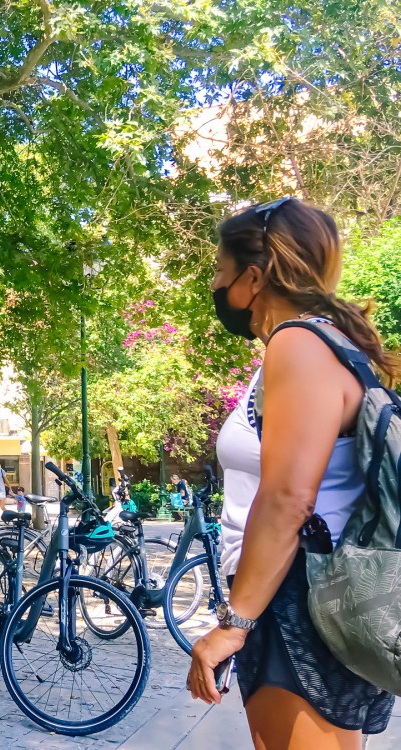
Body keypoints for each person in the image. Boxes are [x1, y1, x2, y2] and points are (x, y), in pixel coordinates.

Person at [186, 198, 397, 747]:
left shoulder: (298, 344)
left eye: (219, 271)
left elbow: (287, 498)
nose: (214, 284)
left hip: (299, 598)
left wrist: (234, 623)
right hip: (292, 596)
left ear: (252, 278)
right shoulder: (319, 345)